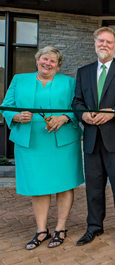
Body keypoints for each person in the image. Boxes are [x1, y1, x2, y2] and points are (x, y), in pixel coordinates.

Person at [0, 46, 83, 249]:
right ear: (37, 60)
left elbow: (79, 107)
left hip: (62, 141)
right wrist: (17, 116)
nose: (48, 63)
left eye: (53, 61)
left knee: (64, 185)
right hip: (31, 142)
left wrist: (64, 117)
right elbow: (6, 106)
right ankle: (41, 230)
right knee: (38, 187)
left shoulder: (70, 82)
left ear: (59, 65)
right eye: (45, 59)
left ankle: (61, 228)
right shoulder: (19, 80)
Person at [73, 27, 115, 245]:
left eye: (109, 42)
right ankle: (94, 226)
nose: (105, 45)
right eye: (101, 41)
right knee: (93, 187)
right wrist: (83, 114)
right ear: (95, 43)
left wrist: (112, 113)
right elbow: (77, 101)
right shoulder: (83, 72)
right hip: (92, 138)